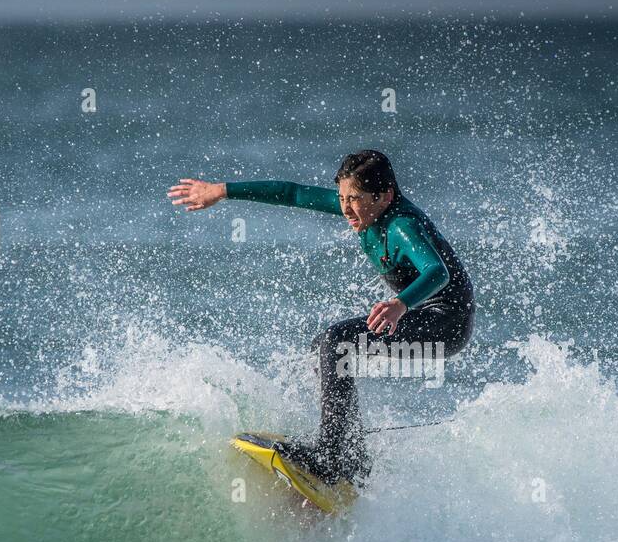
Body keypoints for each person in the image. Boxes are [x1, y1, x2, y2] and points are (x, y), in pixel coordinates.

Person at [168, 150, 474, 484]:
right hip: (424, 314)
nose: (345, 208)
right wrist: (222, 190)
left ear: (384, 195)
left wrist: (400, 304)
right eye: (342, 197)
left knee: (336, 341)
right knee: (325, 346)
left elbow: (437, 272)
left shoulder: (402, 226)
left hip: (447, 323)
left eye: (354, 199)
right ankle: (351, 451)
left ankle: (332, 455)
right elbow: (293, 193)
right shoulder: (364, 210)